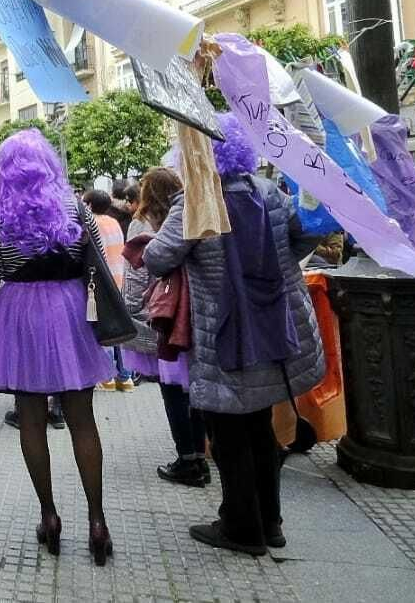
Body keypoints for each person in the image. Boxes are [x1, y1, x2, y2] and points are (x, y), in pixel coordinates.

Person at [140, 116, 324, 556]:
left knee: (228, 433)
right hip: (272, 324)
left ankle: (241, 528)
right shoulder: (268, 192)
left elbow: (158, 258)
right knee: (260, 425)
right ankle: (271, 522)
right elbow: (300, 241)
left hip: (223, 329)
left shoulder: (197, 202)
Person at [0, 130, 117, 565]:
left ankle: (49, 517)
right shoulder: (75, 206)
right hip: (71, 311)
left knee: (30, 417)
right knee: (82, 419)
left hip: (20, 318)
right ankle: (97, 521)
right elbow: (100, 265)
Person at [123, 167, 209, 487]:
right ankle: (200, 456)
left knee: (172, 390)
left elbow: (136, 274)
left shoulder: (142, 223)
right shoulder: (191, 215)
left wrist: (132, 313)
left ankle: (187, 459)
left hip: (162, 314)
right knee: (192, 388)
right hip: (191, 312)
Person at [85, 189, 135, 393]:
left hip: (101, 282)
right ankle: (125, 377)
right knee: (118, 330)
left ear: (89, 205)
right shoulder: (114, 222)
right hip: (119, 278)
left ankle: (107, 377)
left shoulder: (92, 224)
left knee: (103, 328)